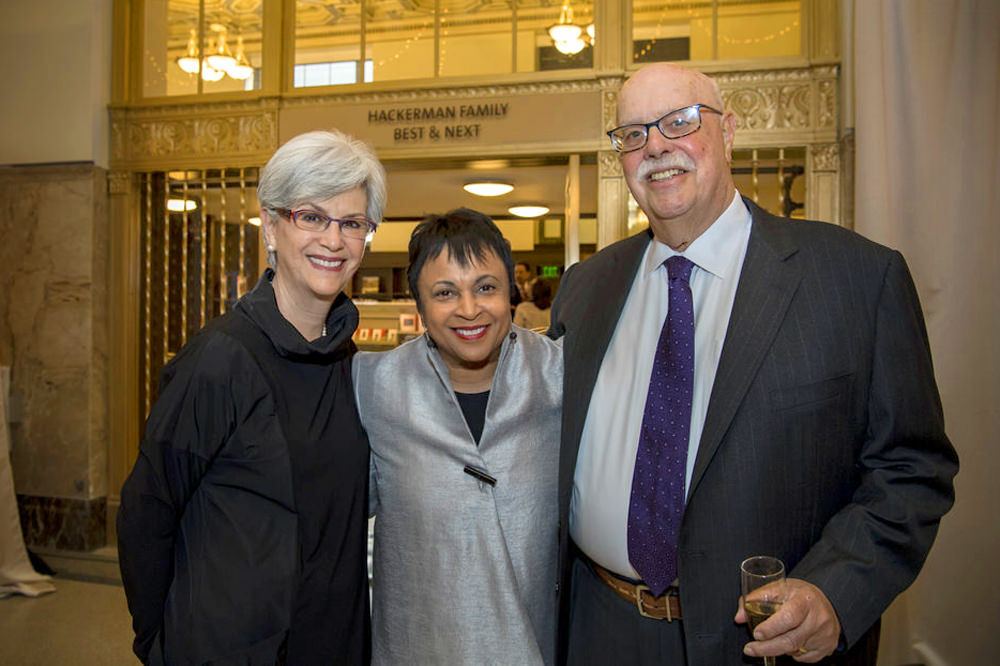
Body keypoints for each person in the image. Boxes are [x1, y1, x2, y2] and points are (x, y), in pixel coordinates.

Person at [547, 62, 958, 665]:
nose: (656, 146)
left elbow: (910, 468)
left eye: (679, 121)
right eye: (633, 134)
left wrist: (835, 591)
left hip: (761, 646)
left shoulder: (856, 279)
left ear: (729, 130)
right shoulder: (584, 288)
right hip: (598, 628)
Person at [117, 128, 386, 666]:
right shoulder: (220, 359)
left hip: (332, 643)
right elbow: (146, 513)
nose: (333, 241)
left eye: (352, 223)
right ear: (270, 225)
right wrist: (158, 642)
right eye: (311, 216)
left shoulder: (353, 365)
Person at [353, 208, 562, 665]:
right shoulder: (374, 387)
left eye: (485, 287)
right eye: (445, 292)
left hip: (535, 647)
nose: (469, 309)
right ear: (420, 306)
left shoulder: (560, 377)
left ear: (512, 291)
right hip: (416, 647)